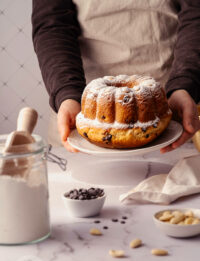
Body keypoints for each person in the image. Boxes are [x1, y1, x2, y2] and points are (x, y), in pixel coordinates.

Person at [32, 0, 200, 153]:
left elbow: (196, 13)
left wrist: (184, 84)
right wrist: (66, 94)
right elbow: (52, 24)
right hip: (80, 111)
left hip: (169, 108)